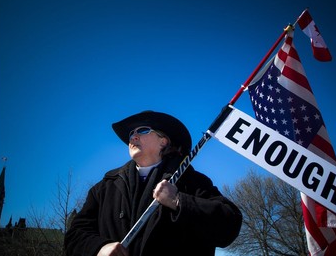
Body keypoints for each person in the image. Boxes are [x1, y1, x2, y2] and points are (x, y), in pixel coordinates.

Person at [64, 110, 242, 256]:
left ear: (163, 141)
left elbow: (229, 225)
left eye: (141, 130)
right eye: (131, 133)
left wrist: (178, 201)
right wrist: (100, 248)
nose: (133, 137)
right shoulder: (104, 187)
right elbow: (74, 236)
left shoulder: (192, 181)